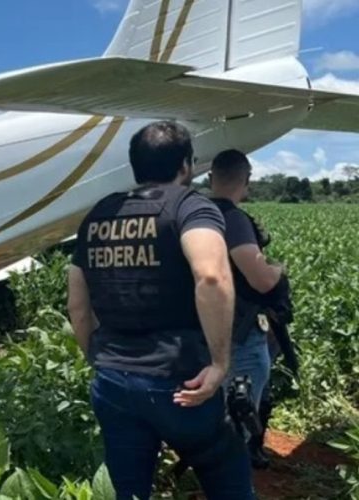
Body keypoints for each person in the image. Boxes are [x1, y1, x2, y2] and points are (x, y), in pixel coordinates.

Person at [66, 121, 254, 499]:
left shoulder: (99, 215)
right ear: (186, 165)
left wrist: (99, 359)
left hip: (113, 381)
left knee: (129, 491)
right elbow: (211, 277)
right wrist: (220, 364)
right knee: (228, 476)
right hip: (181, 381)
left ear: (135, 165)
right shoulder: (190, 206)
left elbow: (77, 305)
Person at [209, 149, 292, 469]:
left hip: (200, 331)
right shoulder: (233, 219)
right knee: (238, 420)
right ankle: (231, 479)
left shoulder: (194, 214)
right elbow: (260, 279)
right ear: (246, 181)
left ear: (211, 177)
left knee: (213, 412)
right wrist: (277, 270)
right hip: (238, 334)